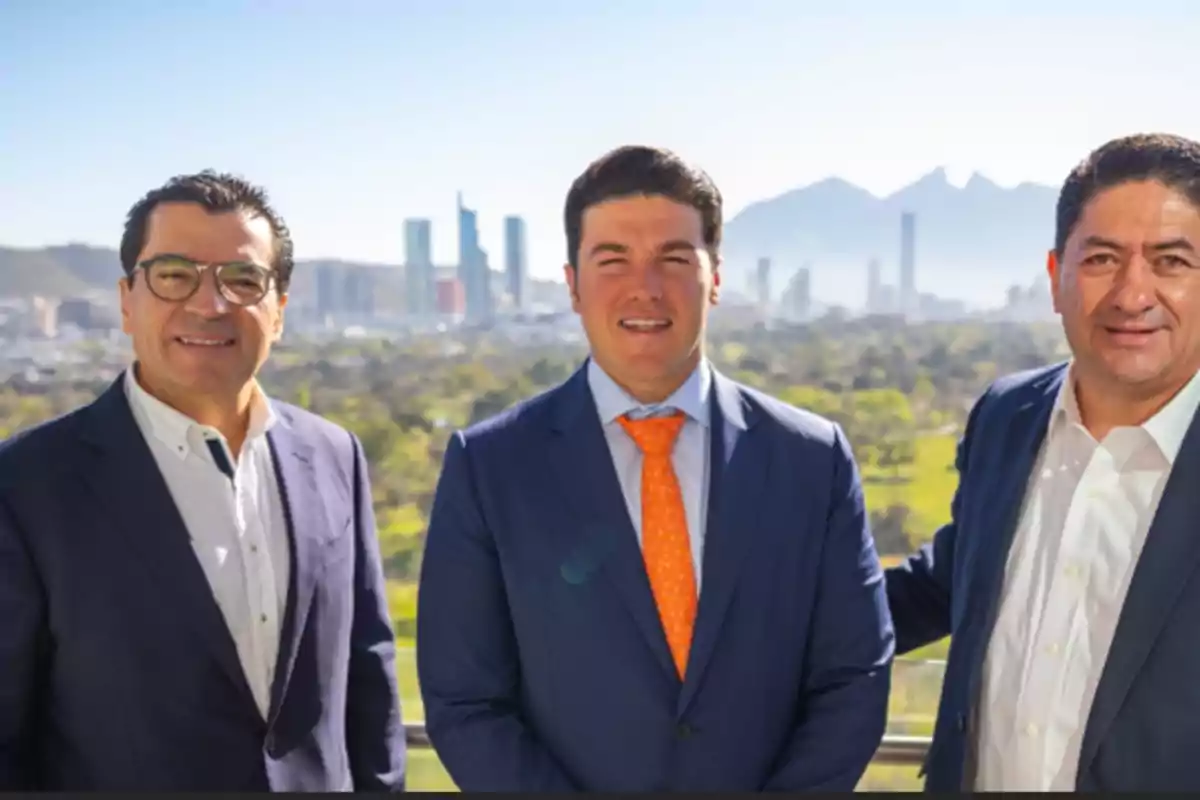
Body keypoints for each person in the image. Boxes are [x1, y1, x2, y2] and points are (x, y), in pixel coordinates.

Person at [417, 145, 894, 792]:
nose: (644, 286)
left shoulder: (813, 461)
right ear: (573, 283)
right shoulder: (489, 468)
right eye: (612, 260)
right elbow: (465, 701)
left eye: (673, 258)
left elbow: (855, 674)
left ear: (715, 276)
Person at [0, 171, 405, 791]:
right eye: (173, 274)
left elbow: (367, 678)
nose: (209, 303)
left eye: (242, 280)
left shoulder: (333, 455)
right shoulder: (25, 484)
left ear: (280, 310)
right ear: (127, 300)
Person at [887, 132, 1200, 792]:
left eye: (1171, 261)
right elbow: (950, 582)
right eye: (1103, 259)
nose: (1132, 293)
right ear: (1056, 277)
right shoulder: (1006, 417)